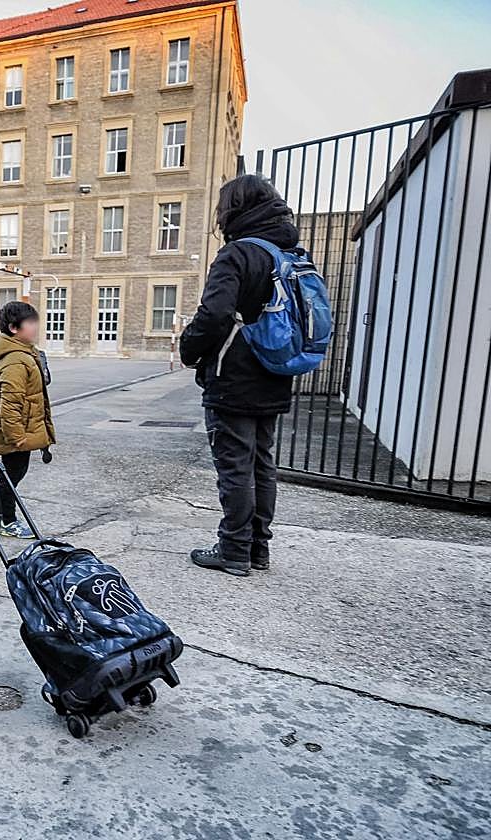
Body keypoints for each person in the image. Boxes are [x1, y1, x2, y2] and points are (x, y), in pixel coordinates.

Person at [179, 174, 298, 577]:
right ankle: (257, 549)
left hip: (234, 378)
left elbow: (212, 315)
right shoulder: (290, 253)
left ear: (234, 210)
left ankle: (233, 549)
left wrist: (189, 350)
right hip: (275, 372)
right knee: (262, 463)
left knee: (235, 466)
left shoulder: (238, 254)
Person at [0, 301, 56, 539]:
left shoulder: (23, 353)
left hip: (22, 428)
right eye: (31, 323)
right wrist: (17, 438)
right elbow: (9, 404)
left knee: (13, 475)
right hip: (16, 431)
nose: (36, 327)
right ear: (14, 328)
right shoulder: (15, 359)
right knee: (12, 476)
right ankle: (8, 521)